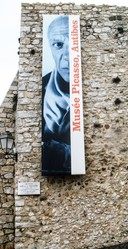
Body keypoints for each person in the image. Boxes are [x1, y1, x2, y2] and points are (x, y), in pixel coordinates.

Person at [42, 15, 71, 175]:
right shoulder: (41, 88)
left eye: (73, 46)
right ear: (50, 47)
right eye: (58, 45)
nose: (67, 56)